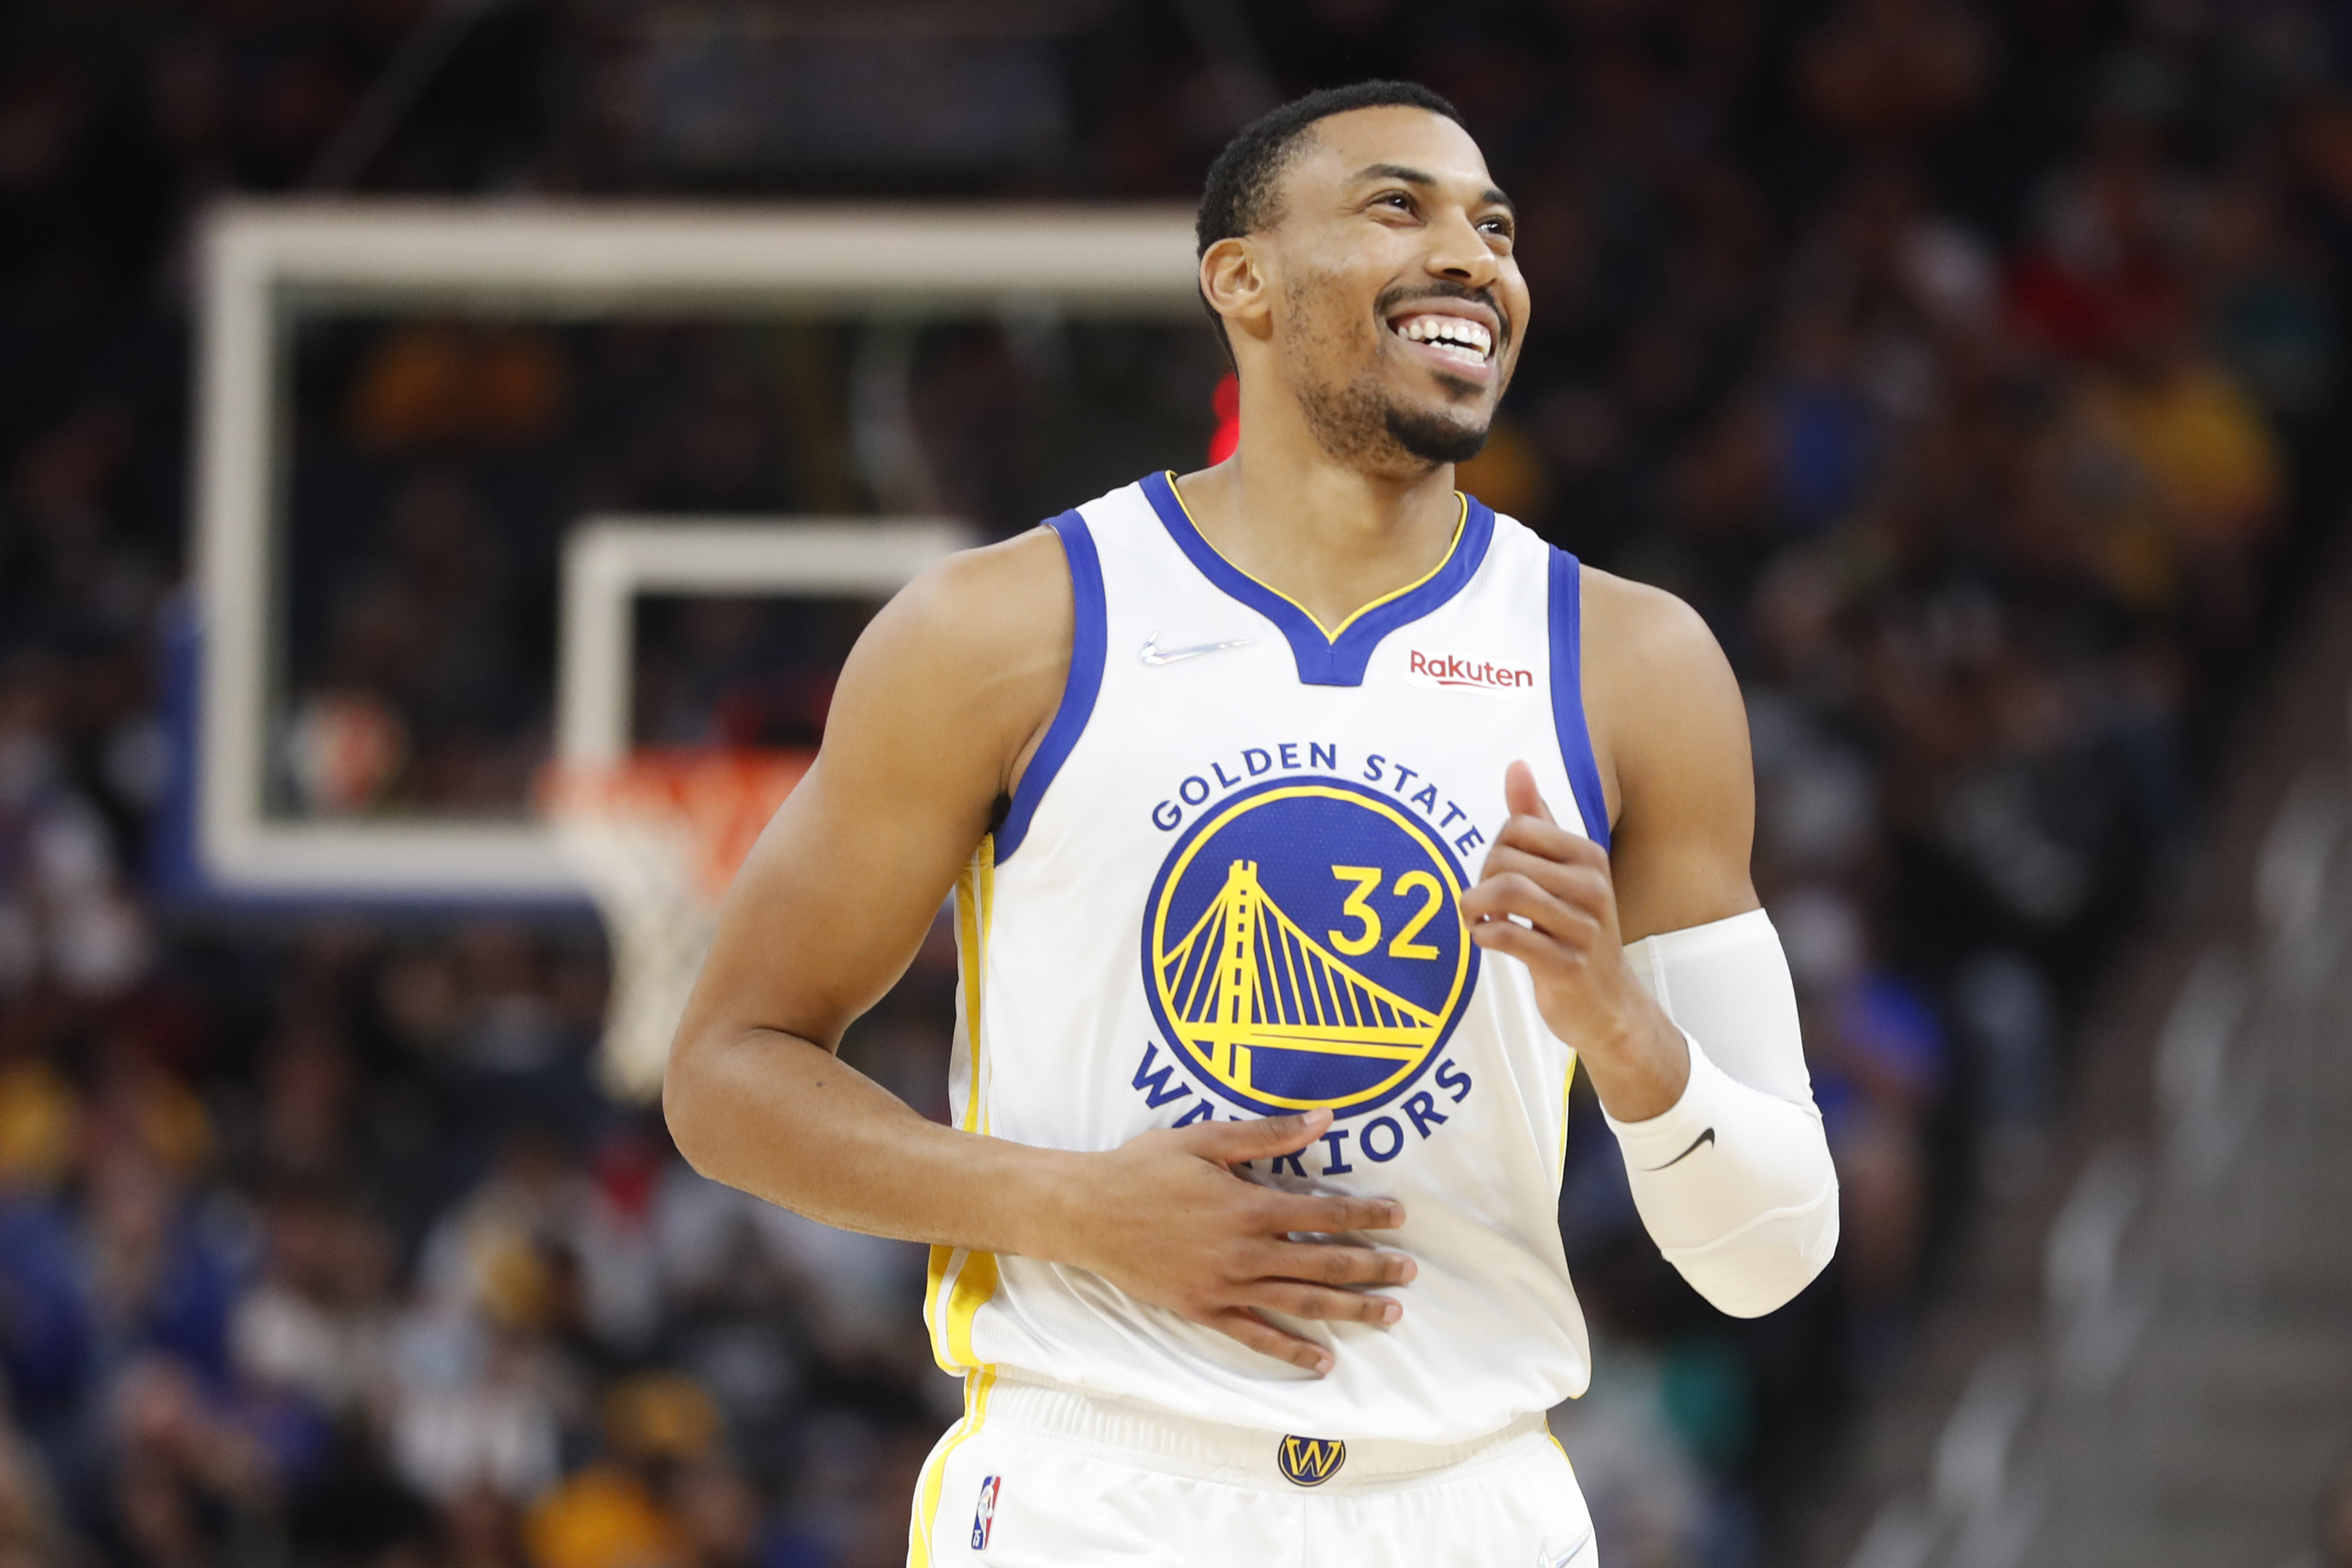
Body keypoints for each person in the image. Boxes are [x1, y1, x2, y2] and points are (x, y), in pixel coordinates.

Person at [663, 80, 1838, 1566]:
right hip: (1097, 1491)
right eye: (1397, 206)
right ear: (1243, 280)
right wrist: (1076, 1208)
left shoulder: (1633, 661)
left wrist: (1623, 1031)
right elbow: (727, 1074)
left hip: (1474, 1501)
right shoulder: (1000, 627)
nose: (1471, 256)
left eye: (1495, 229)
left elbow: (1770, 1255)